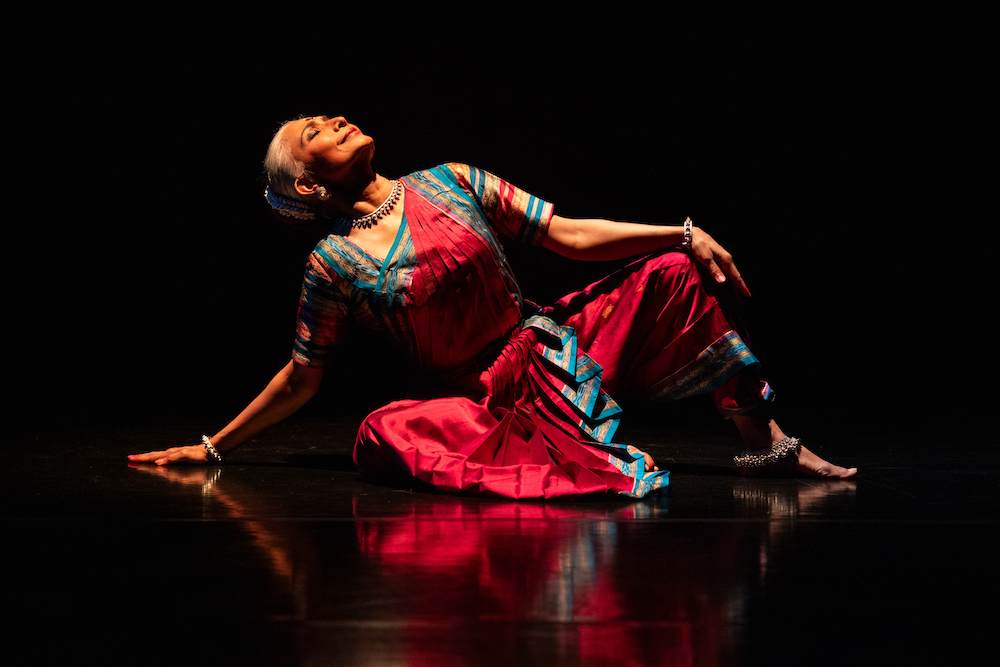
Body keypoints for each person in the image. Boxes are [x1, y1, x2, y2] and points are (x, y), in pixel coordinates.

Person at [129, 115, 856, 497]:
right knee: (385, 430)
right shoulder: (334, 264)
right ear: (309, 186)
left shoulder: (451, 179)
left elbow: (568, 233)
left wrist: (686, 231)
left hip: (556, 340)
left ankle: (764, 447)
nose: (337, 120)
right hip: (487, 397)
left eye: (328, 115)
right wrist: (216, 445)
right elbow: (301, 376)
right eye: (315, 131)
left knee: (671, 271)